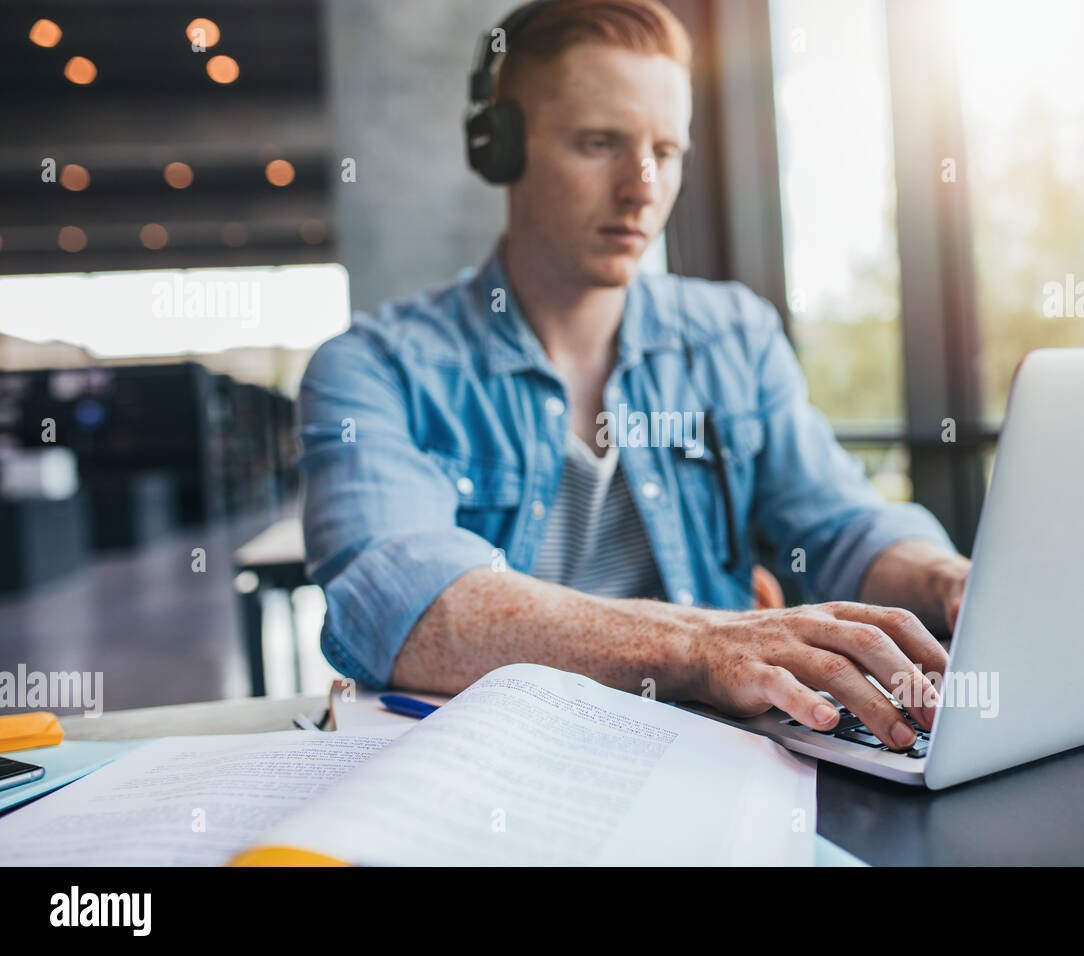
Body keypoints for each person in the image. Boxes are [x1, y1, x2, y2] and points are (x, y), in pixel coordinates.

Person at [298, 0, 971, 752]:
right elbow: (401, 609)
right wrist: (705, 646)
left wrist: (946, 578)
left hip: (713, 766)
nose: (642, 187)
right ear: (501, 150)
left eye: (667, 150)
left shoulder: (733, 337)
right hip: (493, 778)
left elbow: (841, 525)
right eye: (599, 143)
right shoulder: (374, 371)